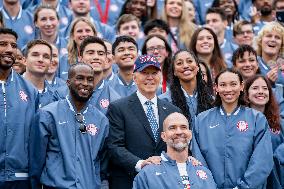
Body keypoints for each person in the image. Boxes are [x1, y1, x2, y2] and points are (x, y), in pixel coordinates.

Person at [30, 63, 109, 189]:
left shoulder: (101, 120)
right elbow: (37, 160)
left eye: (90, 80)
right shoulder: (48, 114)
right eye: (79, 78)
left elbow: (102, 162)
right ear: (68, 82)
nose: (85, 83)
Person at [107, 54, 181, 189]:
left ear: (161, 77)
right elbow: (114, 147)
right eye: (145, 73)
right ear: (134, 77)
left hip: (166, 183)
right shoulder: (118, 108)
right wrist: (141, 163)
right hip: (129, 181)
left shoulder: (172, 111)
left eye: (154, 73)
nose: (150, 77)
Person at [192, 68, 274, 188]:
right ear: (216, 88)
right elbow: (197, 160)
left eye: (233, 84)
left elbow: (262, 161)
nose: (228, 89)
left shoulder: (257, 119)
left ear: (241, 86)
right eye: (223, 85)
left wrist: (243, 187)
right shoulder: (201, 120)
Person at [133, 112, 217, 189]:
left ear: (190, 134)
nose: (179, 132)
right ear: (163, 136)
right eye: (172, 128)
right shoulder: (147, 174)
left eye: (183, 127)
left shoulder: (205, 173)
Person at [0, 28, 38, 189]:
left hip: (20, 176)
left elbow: (35, 137)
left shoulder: (30, 91)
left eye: (13, 45)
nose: (9, 49)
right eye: (2, 44)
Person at [54, 36, 121, 114]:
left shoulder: (115, 99)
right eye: (90, 53)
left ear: (106, 59)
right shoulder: (60, 94)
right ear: (80, 58)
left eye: (100, 54)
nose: (96, 57)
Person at [244, 75, 284, 189]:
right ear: (247, 93)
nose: (261, 92)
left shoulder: (279, 123)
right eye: (255, 88)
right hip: (250, 180)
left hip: (276, 179)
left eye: (265, 88)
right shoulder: (239, 122)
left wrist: (277, 156)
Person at [159, 50, 214, 123]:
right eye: (179, 63)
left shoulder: (211, 100)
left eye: (189, 61)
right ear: (174, 71)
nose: (185, 66)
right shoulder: (164, 101)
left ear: (197, 67)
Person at [23, 39, 54, 108]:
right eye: (35, 55)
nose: (40, 59)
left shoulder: (56, 96)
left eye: (46, 57)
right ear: (24, 60)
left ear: (50, 64)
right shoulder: (10, 89)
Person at [256, 21, 284, 86]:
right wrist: (267, 82)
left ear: (282, 44)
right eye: (269, 36)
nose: (273, 40)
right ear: (260, 41)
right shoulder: (252, 64)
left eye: (277, 37)